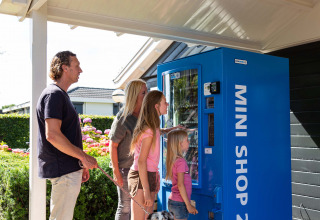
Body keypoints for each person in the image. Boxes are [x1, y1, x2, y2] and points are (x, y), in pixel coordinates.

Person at [36, 51, 98, 220]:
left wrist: (81, 163)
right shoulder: (53, 95)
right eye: (76, 66)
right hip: (63, 171)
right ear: (65, 68)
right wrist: (84, 157)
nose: (80, 70)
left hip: (68, 169)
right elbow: (53, 135)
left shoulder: (60, 95)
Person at [128, 90, 181, 220]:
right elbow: (141, 161)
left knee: (148, 216)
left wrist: (173, 129)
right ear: (156, 106)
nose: (167, 104)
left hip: (148, 175)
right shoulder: (149, 131)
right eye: (165, 102)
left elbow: (159, 132)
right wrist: (146, 191)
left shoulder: (154, 127)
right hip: (141, 176)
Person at [109, 79, 147, 220]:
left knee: (137, 207)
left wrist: (170, 130)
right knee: (125, 208)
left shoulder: (144, 116)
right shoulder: (123, 118)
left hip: (140, 169)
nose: (147, 95)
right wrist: (116, 172)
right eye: (144, 92)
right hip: (125, 169)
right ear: (135, 95)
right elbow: (112, 145)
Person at [166, 129, 198, 220]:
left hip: (173, 201)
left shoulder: (173, 160)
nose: (189, 142)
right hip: (180, 203)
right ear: (180, 144)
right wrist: (188, 205)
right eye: (187, 140)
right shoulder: (181, 162)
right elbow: (180, 184)